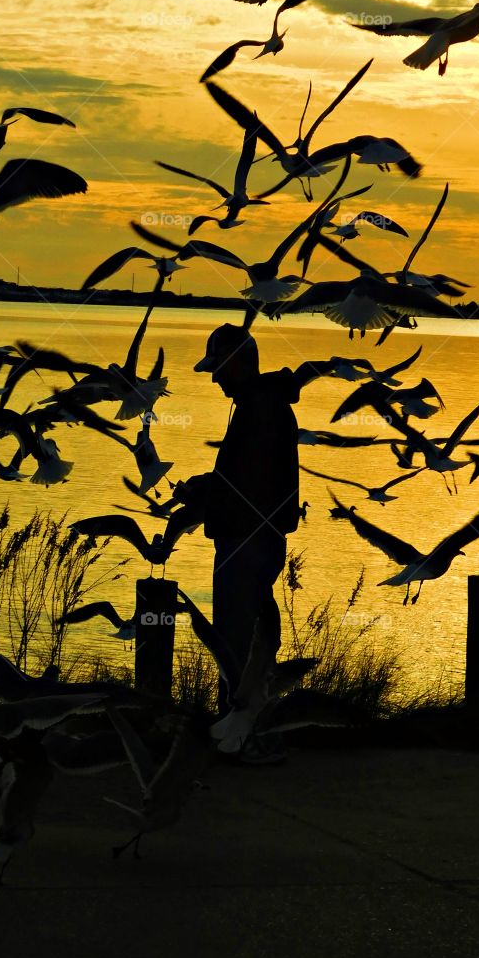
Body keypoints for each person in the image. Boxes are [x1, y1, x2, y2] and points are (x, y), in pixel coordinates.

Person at [191, 323, 302, 761]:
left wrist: (206, 493)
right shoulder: (261, 405)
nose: (215, 377)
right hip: (257, 539)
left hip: (246, 541)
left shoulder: (260, 410)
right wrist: (209, 486)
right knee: (251, 645)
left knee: (237, 646)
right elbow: (247, 479)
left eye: (219, 367)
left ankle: (237, 740)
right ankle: (243, 733)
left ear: (238, 362)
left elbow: (249, 486)